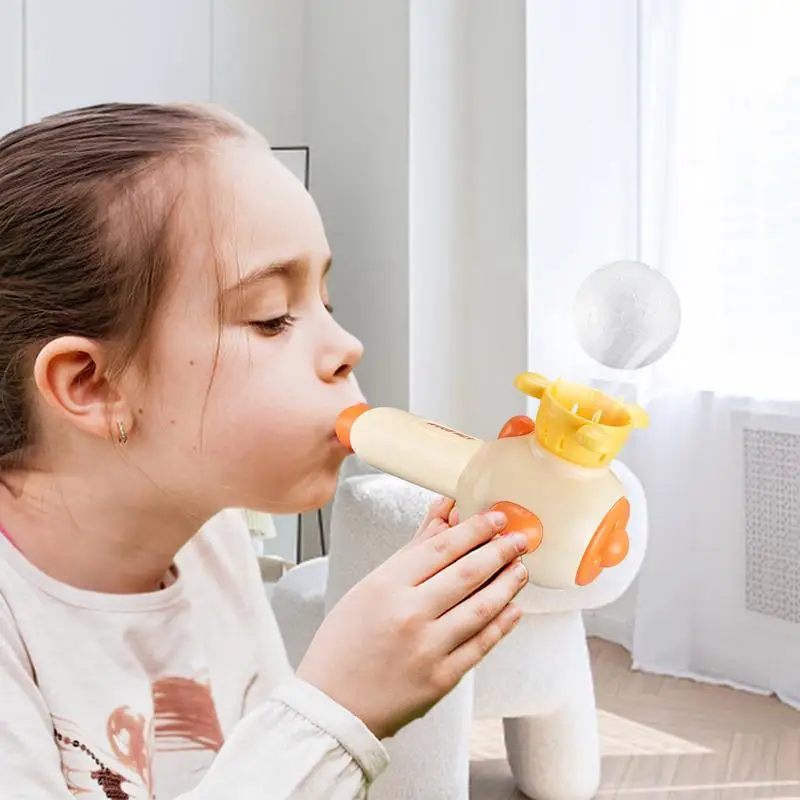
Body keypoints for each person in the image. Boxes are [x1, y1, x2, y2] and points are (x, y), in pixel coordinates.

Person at [0, 102, 532, 799]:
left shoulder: (209, 535)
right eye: (272, 316)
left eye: (325, 303)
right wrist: (336, 708)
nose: (346, 348)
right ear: (93, 385)